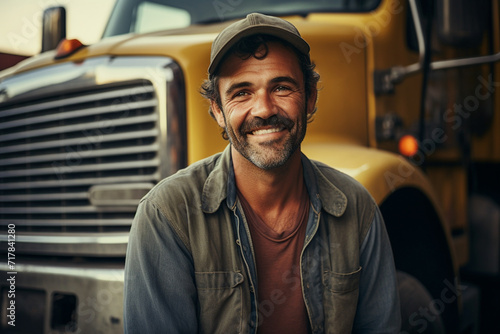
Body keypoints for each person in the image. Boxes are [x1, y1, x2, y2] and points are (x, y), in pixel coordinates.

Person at [124, 12, 401, 334]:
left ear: (310, 97)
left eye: (282, 87)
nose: (265, 109)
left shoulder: (356, 208)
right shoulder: (168, 213)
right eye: (241, 92)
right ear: (217, 110)